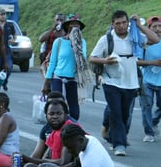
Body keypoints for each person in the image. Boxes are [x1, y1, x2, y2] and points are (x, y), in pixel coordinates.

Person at [89, 10, 159, 156]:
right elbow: (92, 57)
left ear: (128, 23)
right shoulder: (106, 39)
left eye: (124, 22)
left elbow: (155, 39)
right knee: (116, 112)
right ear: (112, 24)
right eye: (117, 23)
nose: (121, 26)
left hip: (130, 82)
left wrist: (139, 25)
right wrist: (105, 60)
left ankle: (111, 135)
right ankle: (119, 145)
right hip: (111, 80)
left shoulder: (135, 36)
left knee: (125, 113)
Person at [4, 92, 78, 167]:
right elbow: (43, 156)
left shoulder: (68, 129)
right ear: (46, 115)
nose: (55, 117)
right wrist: (23, 159)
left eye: (58, 113)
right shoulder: (52, 131)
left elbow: (63, 162)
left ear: (65, 114)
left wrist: (28, 159)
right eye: (51, 114)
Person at [35, 124, 116, 167]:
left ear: (80, 140)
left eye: (71, 147)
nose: (69, 152)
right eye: (67, 148)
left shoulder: (91, 157)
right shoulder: (88, 139)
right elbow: (75, 166)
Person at [43, 14, 90, 120]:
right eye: (72, 25)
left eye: (77, 26)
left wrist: (75, 44)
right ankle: (54, 128)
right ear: (68, 27)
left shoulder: (82, 42)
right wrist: (46, 82)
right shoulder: (58, 42)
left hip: (73, 77)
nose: (75, 28)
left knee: (74, 111)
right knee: (56, 105)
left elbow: (83, 59)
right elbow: (53, 62)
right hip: (58, 76)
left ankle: (72, 127)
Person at [137, 16, 161, 142]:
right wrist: (153, 62)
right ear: (149, 29)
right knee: (146, 106)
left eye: (160, 26)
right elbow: (137, 62)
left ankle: (154, 121)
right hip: (147, 80)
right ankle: (149, 133)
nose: (157, 29)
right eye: (154, 27)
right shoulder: (144, 43)